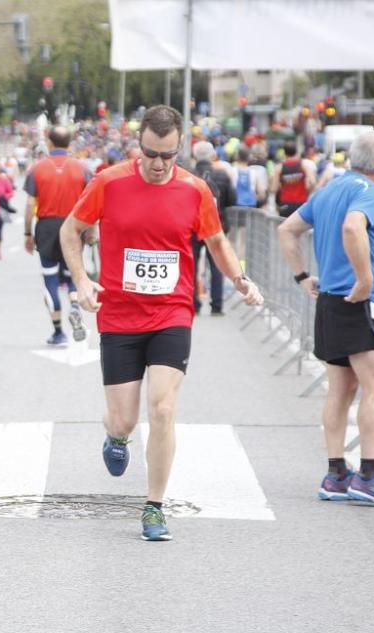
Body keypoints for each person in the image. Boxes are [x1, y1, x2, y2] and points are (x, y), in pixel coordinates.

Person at [59, 105, 264, 541]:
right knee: (125, 420)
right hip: (118, 314)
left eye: (167, 156)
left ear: (179, 150)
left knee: (164, 408)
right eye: (150, 153)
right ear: (139, 145)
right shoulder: (109, 182)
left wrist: (240, 280)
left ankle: (154, 506)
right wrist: (82, 279)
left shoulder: (195, 190)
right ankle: (116, 437)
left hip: (172, 312)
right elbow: (70, 230)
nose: (157, 164)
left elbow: (216, 241)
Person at [277, 130, 374, 508]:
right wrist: (366, 278)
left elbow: (287, 228)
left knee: (341, 389)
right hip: (361, 303)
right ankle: (369, 475)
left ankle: (336, 473)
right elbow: (353, 227)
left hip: (331, 302)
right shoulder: (368, 192)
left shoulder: (329, 189)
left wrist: (302, 275)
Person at [23, 126, 89, 345]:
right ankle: (75, 306)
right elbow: (91, 202)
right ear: (69, 144)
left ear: (49, 142)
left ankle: (58, 332)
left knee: (50, 277)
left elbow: (30, 203)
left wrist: (28, 233)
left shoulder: (37, 169)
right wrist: (91, 231)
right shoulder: (82, 169)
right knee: (72, 275)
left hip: (47, 228)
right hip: (74, 226)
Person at [191, 140, 236, 316]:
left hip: (192, 227)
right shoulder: (222, 175)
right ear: (212, 155)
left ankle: (194, 304)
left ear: (195, 156)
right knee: (217, 264)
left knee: (191, 266)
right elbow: (232, 199)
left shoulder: (189, 175)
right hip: (216, 225)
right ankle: (217, 305)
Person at [270, 140, 316, 217]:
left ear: (284, 153)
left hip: (285, 203)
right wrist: (308, 191)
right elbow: (313, 182)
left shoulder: (279, 168)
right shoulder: (303, 166)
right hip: (301, 203)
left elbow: (273, 189)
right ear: (296, 151)